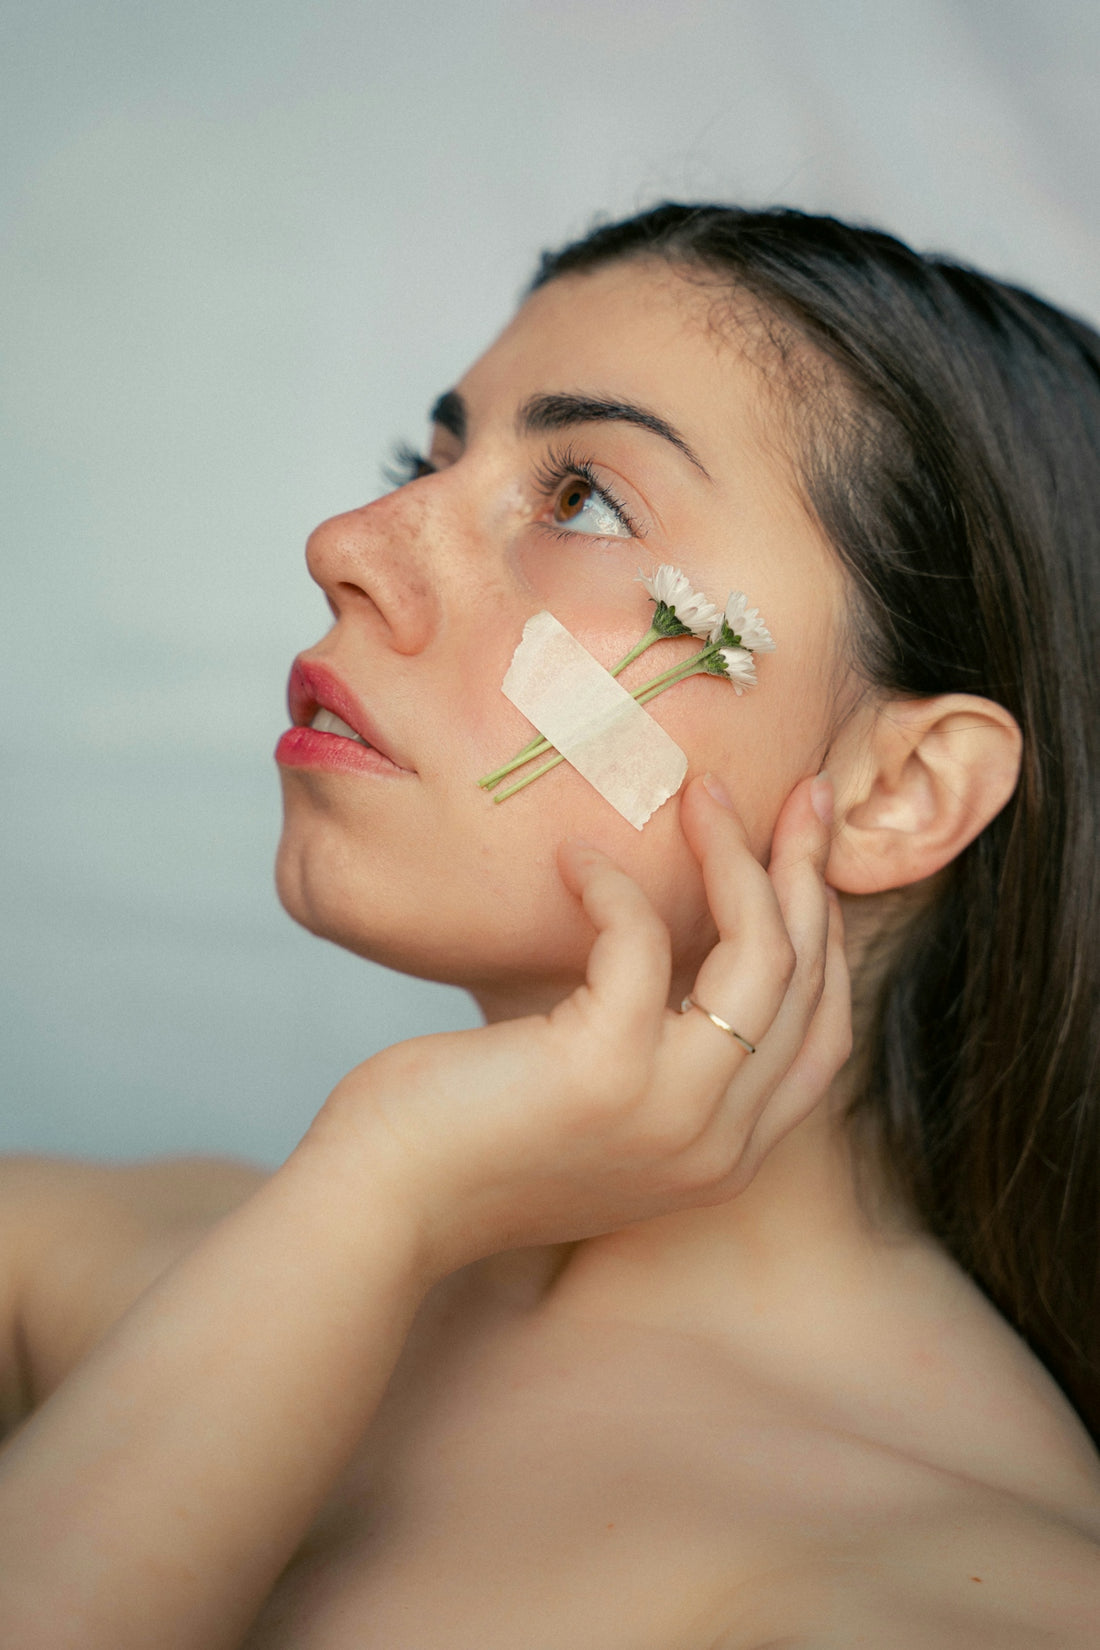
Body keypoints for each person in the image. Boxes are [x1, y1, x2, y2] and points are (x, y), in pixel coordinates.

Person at [1, 203, 1099, 1648]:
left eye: (584, 497)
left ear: (901, 789)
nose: (348, 542)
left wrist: (378, 1188)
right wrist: (373, 1192)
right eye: (431, 458)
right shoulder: (136, 1262)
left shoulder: (934, 1598)